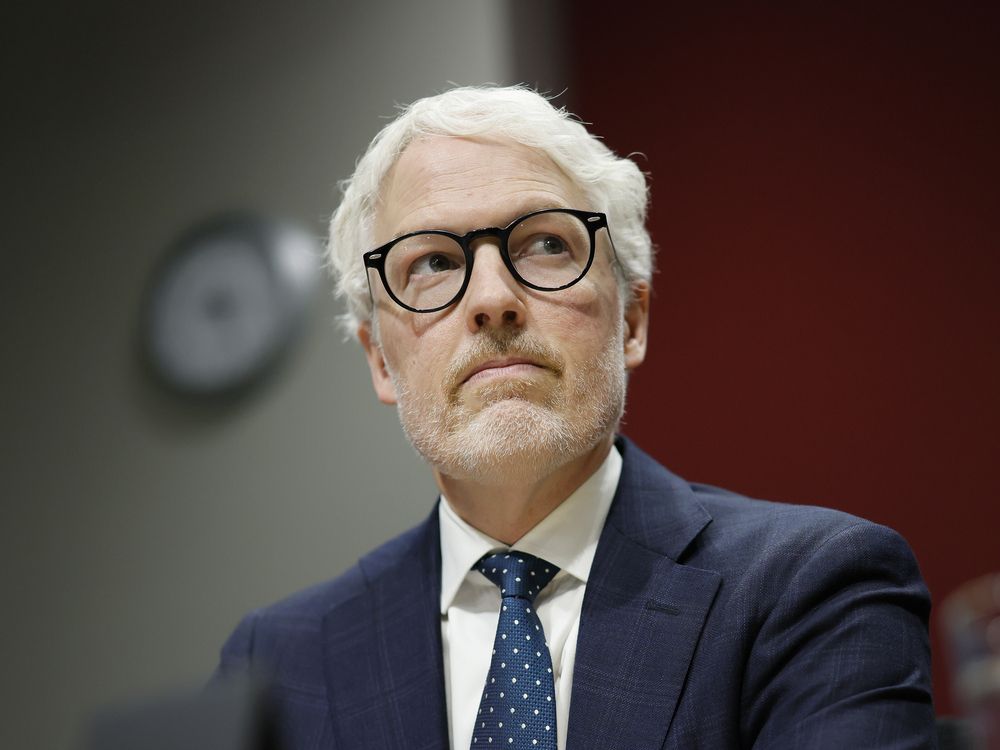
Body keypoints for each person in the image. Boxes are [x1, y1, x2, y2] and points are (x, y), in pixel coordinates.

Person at [216, 85, 935, 749]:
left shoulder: (813, 590)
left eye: (547, 244)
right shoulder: (278, 662)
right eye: (432, 262)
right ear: (379, 358)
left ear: (632, 321)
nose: (491, 298)